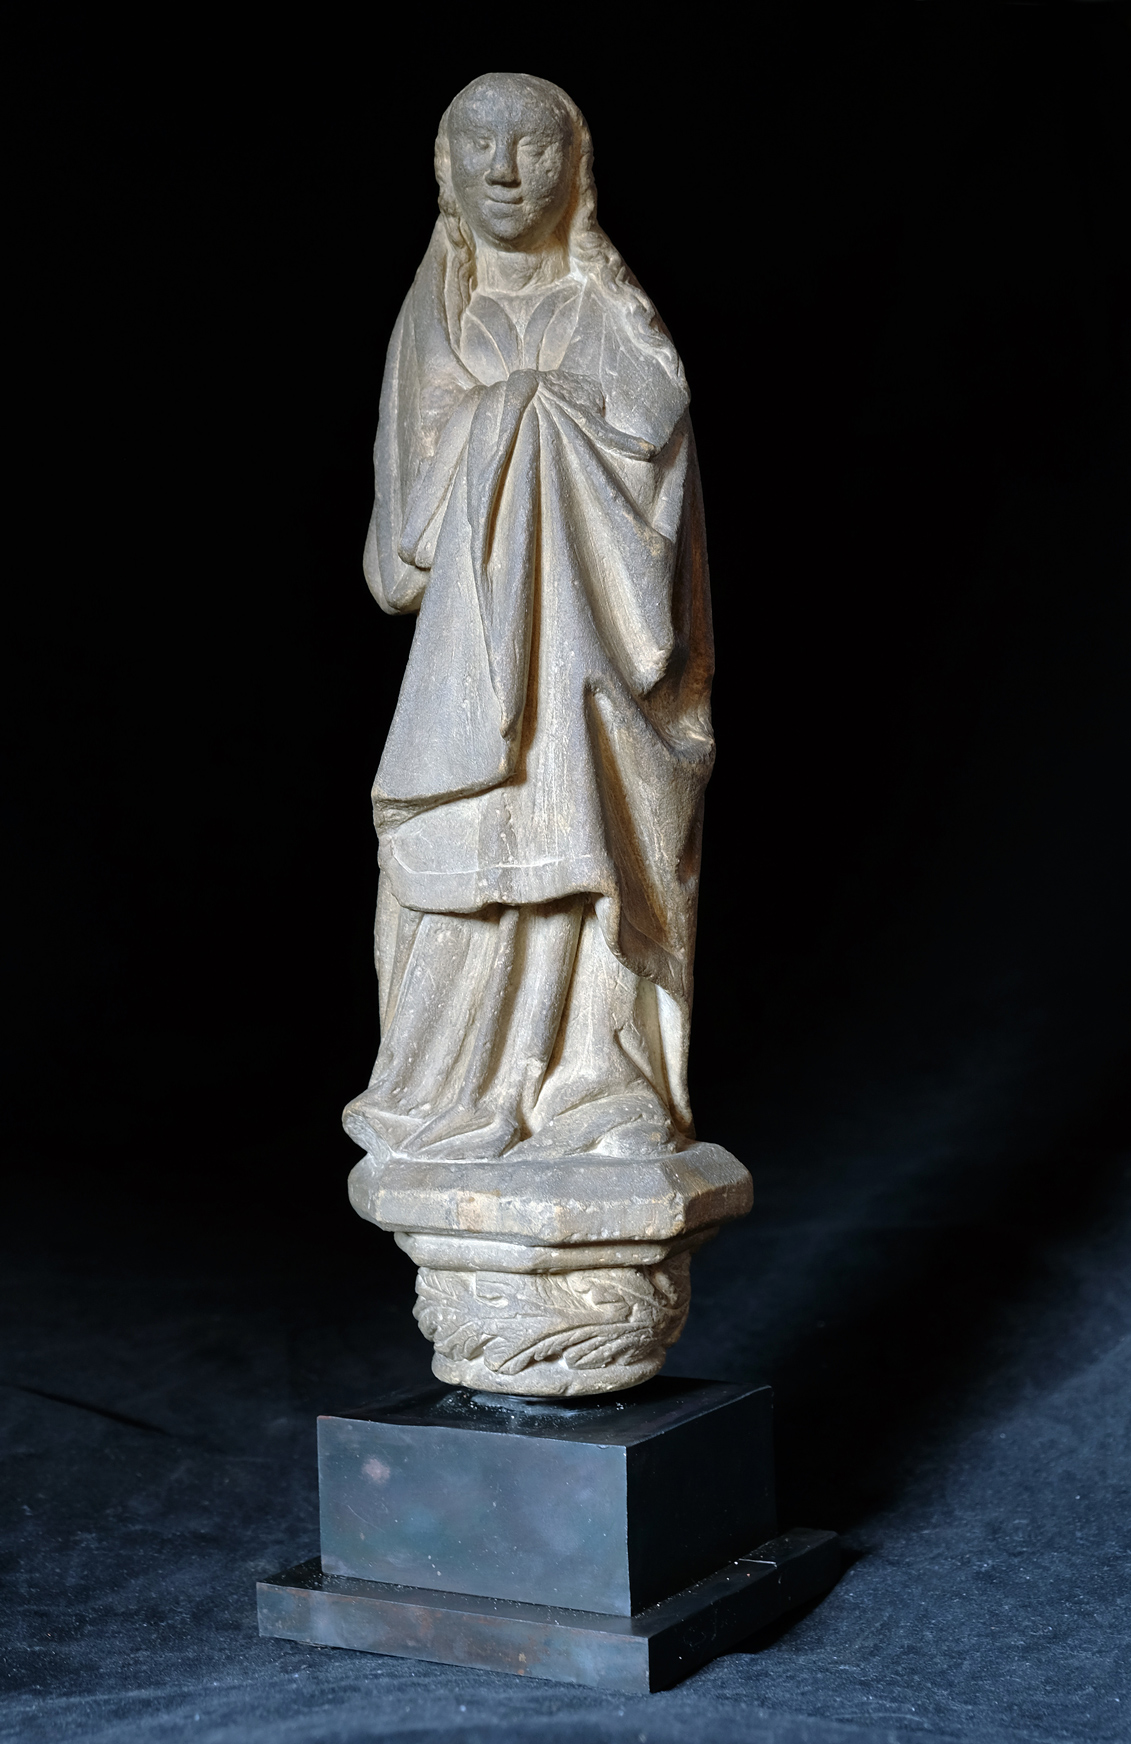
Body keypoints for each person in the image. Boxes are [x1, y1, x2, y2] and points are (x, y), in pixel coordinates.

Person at [343, 71, 716, 1165]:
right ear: (445, 171)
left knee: (583, 838)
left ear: (577, 169)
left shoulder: (618, 328)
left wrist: (542, 430)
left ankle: (598, 1082)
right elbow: (397, 565)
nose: (506, 171)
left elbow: (661, 550)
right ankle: (447, 1085)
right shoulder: (432, 334)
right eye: (479, 144)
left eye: (535, 146)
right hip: (468, 691)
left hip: (592, 700)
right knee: (464, 858)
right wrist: (509, 424)